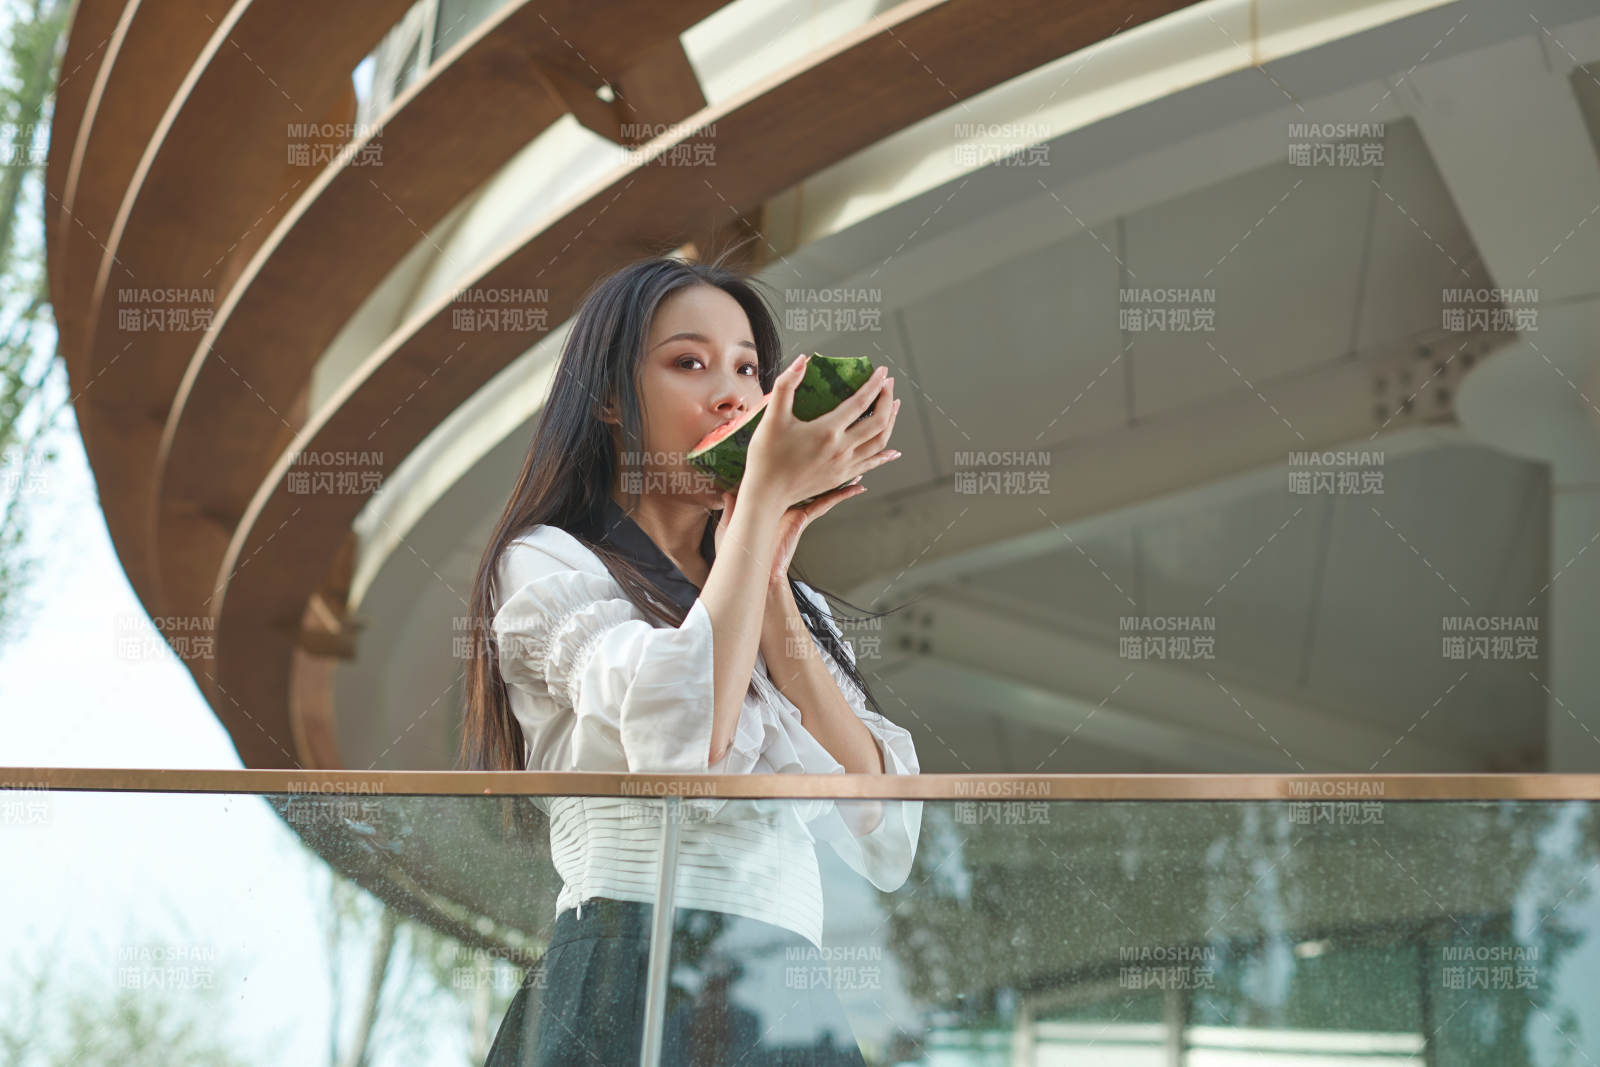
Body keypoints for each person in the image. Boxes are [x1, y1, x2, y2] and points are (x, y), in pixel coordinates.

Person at [459, 250, 924, 1065]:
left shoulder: (790, 599)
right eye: (689, 362)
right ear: (609, 399)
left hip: (785, 988)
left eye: (750, 369)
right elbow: (688, 747)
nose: (731, 392)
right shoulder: (548, 563)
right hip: (623, 961)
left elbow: (883, 826)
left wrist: (770, 562)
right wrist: (759, 522)